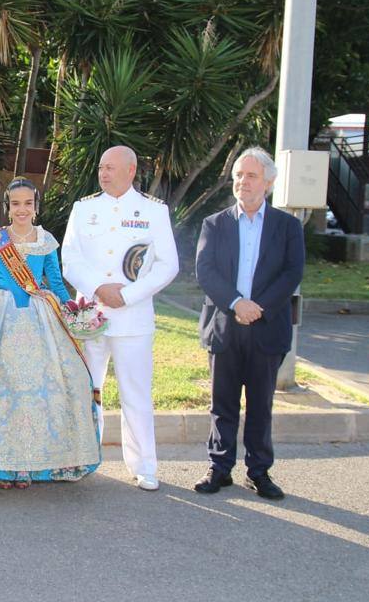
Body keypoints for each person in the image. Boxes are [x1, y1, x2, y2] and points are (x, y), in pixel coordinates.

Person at [0, 178, 102, 489]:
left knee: (41, 391)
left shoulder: (47, 240)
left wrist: (72, 311)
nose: (21, 209)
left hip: (40, 319)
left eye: (27, 203)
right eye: (15, 203)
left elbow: (55, 281)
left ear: (36, 207)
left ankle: (34, 467)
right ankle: (4, 468)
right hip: (0, 320)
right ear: (7, 207)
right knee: (2, 392)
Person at [61, 145, 179, 491]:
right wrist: (98, 288)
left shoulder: (153, 212)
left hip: (133, 318)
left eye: (111, 167)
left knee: (136, 394)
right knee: (87, 389)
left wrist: (126, 295)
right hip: (91, 315)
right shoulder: (85, 209)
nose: (103, 172)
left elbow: (168, 265)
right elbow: (71, 258)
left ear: (131, 169)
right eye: (101, 167)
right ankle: (83, 456)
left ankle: (144, 466)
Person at [194, 147, 304, 500]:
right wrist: (236, 303)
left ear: (269, 182)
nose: (242, 181)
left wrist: (259, 307)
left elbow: (292, 273)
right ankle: (219, 467)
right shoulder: (216, 223)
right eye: (239, 175)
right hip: (224, 326)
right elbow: (205, 270)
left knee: (261, 405)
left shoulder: (287, 226)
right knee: (222, 403)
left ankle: (259, 471)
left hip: (266, 327)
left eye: (251, 175)